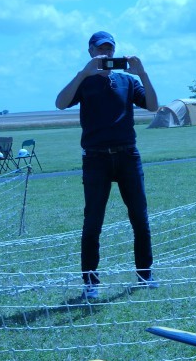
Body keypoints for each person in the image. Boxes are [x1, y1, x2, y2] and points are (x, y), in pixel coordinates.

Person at [55, 31, 159, 299]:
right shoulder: (84, 82)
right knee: (93, 222)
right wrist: (82, 74)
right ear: (90, 51)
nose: (106, 54)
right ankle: (91, 282)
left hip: (127, 156)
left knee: (140, 217)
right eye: (100, 50)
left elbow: (153, 106)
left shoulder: (127, 80)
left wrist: (143, 73)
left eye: (109, 49)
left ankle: (145, 275)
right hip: (95, 157)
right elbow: (60, 103)